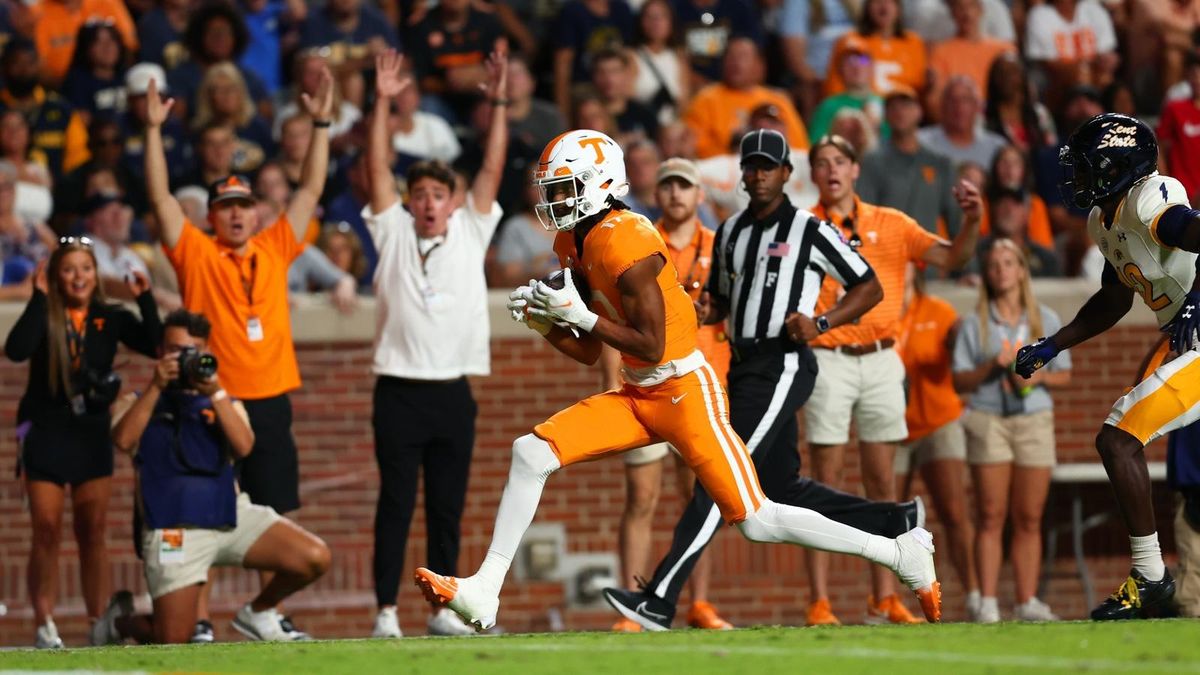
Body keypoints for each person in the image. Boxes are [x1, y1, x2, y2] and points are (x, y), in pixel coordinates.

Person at [415, 124, 941, 634]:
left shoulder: (630, 237)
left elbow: (651, 342)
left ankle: (898, 550)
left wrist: (575, 315)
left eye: (564, 187)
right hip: (638, 391)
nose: (554, 199)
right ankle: (485, 590)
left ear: (600, 183)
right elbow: (589, 351)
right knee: (531, 453)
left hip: (685, 389)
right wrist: (542, 321)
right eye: (551, 189)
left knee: (757, 520)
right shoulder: (573, 241)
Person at [144, 58, 333, 638]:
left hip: (270, 399)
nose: (235, 215)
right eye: (225, 207)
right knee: (202, 512)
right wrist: (152, 131)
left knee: (276, 511)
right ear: (212, 215)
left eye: (242, 206)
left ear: (254, 211)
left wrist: (320, 128)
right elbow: (160, 201)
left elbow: (310, 190)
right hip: (211, 401)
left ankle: (264, 612)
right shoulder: (195, 252)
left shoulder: (275, 246)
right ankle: (198, 619)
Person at [1014, 112, 1196, 620]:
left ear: (1119, 166)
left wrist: (1195, 299)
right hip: (1186, 336)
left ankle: (1151, 578)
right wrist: (1055, 343)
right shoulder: (1103, 220)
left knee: (1119, 438)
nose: (1078, 177)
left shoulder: (1149, 198)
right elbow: (1114, 298)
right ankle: (1153, 579)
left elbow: (1194, 232)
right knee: (1119, 438)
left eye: (1090, 166)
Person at [803, 133, 981, 626]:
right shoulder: (802, 225)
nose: (832, 169)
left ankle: (883, 595)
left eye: (840, 161)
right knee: (823, 481)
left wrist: (971, 220)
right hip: (828, 356)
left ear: (856, 169)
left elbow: (951, 259)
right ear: (813, 174)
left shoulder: (892, 223)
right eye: (822, 162)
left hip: (883, 356)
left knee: (883, 480)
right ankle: (820, 600)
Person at [363, 49, 507, 639]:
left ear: (452, 203)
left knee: (446, 509)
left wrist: (497, 103)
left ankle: (443, 609)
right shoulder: (392, 228)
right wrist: (381, 101)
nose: (427, 204)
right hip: (397, 390)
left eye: (436, 196)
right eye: (418, 194)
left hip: (453, 391)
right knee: (395, 506)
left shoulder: (472, 229)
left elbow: (493, 171)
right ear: (409, 200)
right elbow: (375, 167)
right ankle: (385, 613)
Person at [90, 309, 330, 644]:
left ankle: (260, 610)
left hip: (230, 516)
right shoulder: (137, 401)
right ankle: (120, 623)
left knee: (314, 557)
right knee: (174, 638)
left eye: (193, 351)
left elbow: (245, 446)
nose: (183, 358)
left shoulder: (222, 400)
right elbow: (123, 439)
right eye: (175, 350)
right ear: (160, 352)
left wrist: (215, 391)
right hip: (173, 527)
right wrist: (157, 386)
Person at [5, 239, 160, 648]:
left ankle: (99, 621)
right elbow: (16, 350)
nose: (78, 277)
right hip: (46, 432)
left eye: (85, 269)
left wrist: (144, 300)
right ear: (57, 275)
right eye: (69, 269)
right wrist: (38, 298)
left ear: (96, 274)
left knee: (92, 530)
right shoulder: (48, 314)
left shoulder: (110, 316)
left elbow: (157, 344)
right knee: (47, 529)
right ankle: (45, 622)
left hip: (90, 433)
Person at [606, 158, 731, 632]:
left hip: (701, 385)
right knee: (641, 497)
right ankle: (631, 609)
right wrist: (607, 379)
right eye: (667, 185)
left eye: (685, 185)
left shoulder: (720, 248)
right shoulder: (634, 241)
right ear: (656, 194)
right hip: (644, 386)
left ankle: (700, 603)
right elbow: (612, 318)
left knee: (700, 499)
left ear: (701, 195)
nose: (676, 193)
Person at [956, 239, 1070, 622]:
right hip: (989, 419)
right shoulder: (977, 322)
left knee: (1029, 516)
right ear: (987, 275)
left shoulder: (1045, 319)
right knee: (990, 514)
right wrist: (993, 366)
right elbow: (959, 380)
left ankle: (1026, 600)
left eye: (1009, 262)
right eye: (994, 264)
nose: (1001, 270)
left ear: (1022, 270)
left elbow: (1065, 373)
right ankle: (987, 602)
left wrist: (1035, 381)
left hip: (1033, 418)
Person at [895, 261, 979, 620]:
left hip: (939, 421)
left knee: (954, 513)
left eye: (904, 266)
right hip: (892, 428)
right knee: (889, 519)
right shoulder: (876, 316)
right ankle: (890, 600)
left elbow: (965, 349)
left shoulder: (939, 311)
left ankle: (976, 595)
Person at [857, 87, 961, 237]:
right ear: (886, 115)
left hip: (927, 256)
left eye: (906, 105)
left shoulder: (940, 164)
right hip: (886, 255)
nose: (900, 112)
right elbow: (863, 215)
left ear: (919, 112)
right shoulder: (872, 162)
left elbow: (955, 221)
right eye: (893, 107)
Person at [683, 37, 809, 159]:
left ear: (759, 65)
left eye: (743, 56)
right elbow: (693, 149)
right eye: (731, 56)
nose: (735, 62)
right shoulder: (705, 100)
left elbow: (800, 148)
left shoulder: (778, 101)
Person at [926, 0, 1014, 115]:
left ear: (981, 10)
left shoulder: (1004, 50)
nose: (967, 13)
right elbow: (934, 101)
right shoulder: (940, 52)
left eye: (971, 6)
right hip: (960, 116)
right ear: (952, 13)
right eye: (960, 8)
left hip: (998, 117)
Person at [824, 0, 926, 96]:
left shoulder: (913, 42)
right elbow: (835, 88)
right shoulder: (851, 41)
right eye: (877, 1)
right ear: (867, 7)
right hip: (861, 108)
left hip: (902, 107)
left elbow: (919, 87)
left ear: (898, 8)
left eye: (890, 1)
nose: (884, 6)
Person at [30, 0, 137, 87]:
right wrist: (70, 87)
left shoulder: (107, 3)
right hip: (63, 89)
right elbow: (38, 66)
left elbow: (129, 47)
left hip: (116, 82)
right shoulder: (36, 13)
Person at [917, 76, 1007, 171]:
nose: (959, 107)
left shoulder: (996, 148)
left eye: (966, 100)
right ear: (942, 106)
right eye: (952, 100)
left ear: (978, 107)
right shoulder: (920, 142)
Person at [808, 43, 884, 143]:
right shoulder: (828, 106)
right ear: (840, 70)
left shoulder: (886, 104)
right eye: (850, 61)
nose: (857, 66)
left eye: (863, 60)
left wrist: (874, 127)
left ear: (873, 68)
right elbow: (816, 145)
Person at [629, 0, 690, 127]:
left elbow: (685, 104)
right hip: (643, 129)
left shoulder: (679, 57)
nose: (656, 22)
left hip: (673, 130)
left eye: (662, 16)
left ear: (671, 22)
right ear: (641, 22)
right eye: (650, 17)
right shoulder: (629, 56)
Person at [61, 21, 130, 120]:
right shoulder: (76, 83)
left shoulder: (128, 76)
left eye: (112, 40)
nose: (108, 47)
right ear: (86, 48)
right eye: (98, 42)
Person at [1158, 53, 1200, 204]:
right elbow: (1159, 147)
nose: (1197, 78)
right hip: (1181, 193)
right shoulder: (1175, 108)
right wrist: (1166, 182)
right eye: (1193, 73)